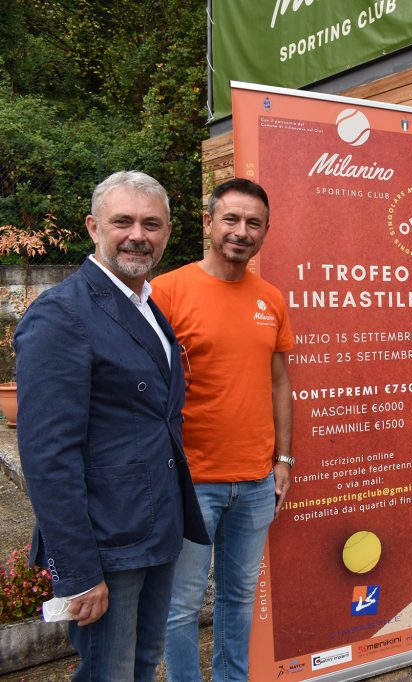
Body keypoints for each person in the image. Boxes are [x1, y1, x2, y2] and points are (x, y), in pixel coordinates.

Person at [15, 170, 210, 680]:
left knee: (142, 665)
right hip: (107, 541)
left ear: (168, 232)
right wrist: (78, 573)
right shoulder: (62, 315)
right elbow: (48, 457)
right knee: (111, 672)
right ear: (93, 227)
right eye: (122, 221)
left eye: (152, 223)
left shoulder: (144, 304)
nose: (138, 235)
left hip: (153, 528)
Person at [152, 179, 295, 681]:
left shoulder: (271, 299)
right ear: (208, 223)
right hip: (192, 481)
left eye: (253, 223)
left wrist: (284, 460)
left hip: (256, 481)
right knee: (182, 605)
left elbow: (279, 383)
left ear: (265, 233)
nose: (242, 231)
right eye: (231, 219)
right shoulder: (166, 292)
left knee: (238, 599)